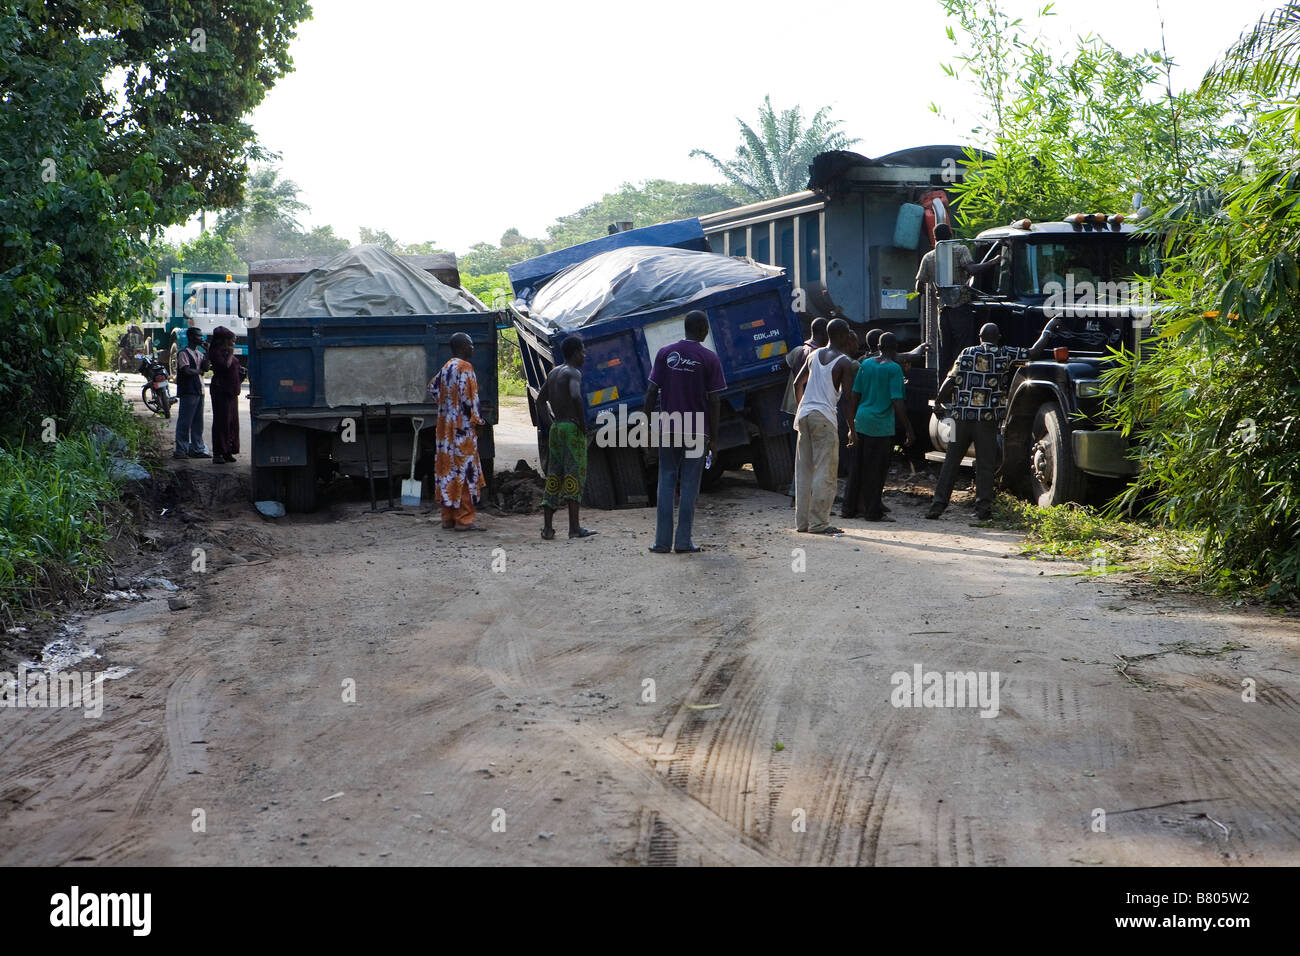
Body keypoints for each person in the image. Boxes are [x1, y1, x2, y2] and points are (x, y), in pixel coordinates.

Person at [926, 318, 1059, 520]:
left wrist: (938, 403)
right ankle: (983, 509)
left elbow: (950, 381)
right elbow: (1033, 353)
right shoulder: (1004, 354)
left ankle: (937, 507)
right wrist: (1048, 330)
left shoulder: (966, 353)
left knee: (951, 462)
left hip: (959, 418)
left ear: (980, 338)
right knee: (985, 464)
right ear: (998, 338)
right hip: (986, 420)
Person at [643, 310, 725, 554]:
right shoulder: (709, 358)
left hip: (668, 427)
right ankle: (682, 542)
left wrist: (647, 429)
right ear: (702, 330)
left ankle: (661, 543)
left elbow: (650, 394)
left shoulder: (665, 353)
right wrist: (714, 438)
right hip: (697, 430)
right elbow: (715, 400)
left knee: (666, 481)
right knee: (690, 485)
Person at [791, 318, 857, 534]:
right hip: (824, 418)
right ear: (841, 335)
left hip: (804, 415)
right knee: (825, 471)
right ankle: (819, 523)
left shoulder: (813, 355)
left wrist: (804, 406)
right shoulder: (844, 362)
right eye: (847, 333)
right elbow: (847, 399)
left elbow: (797, 384)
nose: (849, 336)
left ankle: (802, 523)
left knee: (804, 471)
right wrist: (852, 429)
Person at [845, 332, 915, 521]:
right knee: (875, 470)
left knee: (858, 467)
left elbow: (854, 395)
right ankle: (872, 512)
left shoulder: (866, 364)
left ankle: (849, 509)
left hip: (861, 420)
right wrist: (908, 428)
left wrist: (851, 423)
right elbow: (897, 401)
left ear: (878, 346)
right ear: (895, 348)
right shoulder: (894, 369)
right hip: (880, 426)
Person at [914, 223, 1000, 374]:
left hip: (943, 310)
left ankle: (943, 387)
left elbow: (919, 287)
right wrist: (993, 262)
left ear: (934, 239)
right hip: (960, 307)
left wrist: (937, 287)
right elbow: (972, 269)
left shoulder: (928, 257)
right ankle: (961, 383)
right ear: (951, 235)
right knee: (962, 349)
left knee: (944, 350)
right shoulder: (961, 250)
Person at [427, 332, 487, 531]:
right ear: (462, 347)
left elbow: (433, 388)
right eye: (470, 344)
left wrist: (447, 407)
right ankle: (464, 520)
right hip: (462, 429)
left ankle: (448, 518)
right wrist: (478, 422)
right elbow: (470, 400)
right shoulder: (465, 367)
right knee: (465, 471)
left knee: (448, 471)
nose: (473, 348)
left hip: (445, 429)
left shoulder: (446, 367)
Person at [539, 335, 596, 540]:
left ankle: (547, 528)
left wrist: (550, 423)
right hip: (571, 428)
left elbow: (539, 401)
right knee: (574, 475)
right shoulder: (574, 372)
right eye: (582, 351)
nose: (584, 355)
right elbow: (575, 396)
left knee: (554, 475)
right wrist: (582, 424)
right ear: (574, 353)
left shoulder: (554, 373)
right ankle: (574, 528)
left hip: (557, 428)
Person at [781, 318, 829, 498]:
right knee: (811, 456)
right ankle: (801, 493)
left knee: (802, 453)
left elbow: (783, 363)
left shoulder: (798, 350)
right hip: (811, 409)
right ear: (823, 333)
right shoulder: (818, 355)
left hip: (796, 408)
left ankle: (798, 492)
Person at [173, 328, 211, 460]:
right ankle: (181, 450)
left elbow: (206, 368)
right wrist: (199, 371)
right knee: (185, 421)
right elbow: (186, 371)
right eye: (198, 336)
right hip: (189, 391)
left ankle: (197, 448)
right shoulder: (183, 353)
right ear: (191, 337)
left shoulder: (199, 354)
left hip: (199, 391)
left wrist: (208, 352)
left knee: (197, 422)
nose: (201, 339)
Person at [207, 326, 243, 464]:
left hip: (231, 390)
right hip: (221, 390)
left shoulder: (227, 352)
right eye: (230, 340)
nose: (233, 343)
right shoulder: (216, 352)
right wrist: (230, 355)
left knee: (232, 421)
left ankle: (228, 450)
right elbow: (224, 367)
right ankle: (218, 452)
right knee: (221, 421)